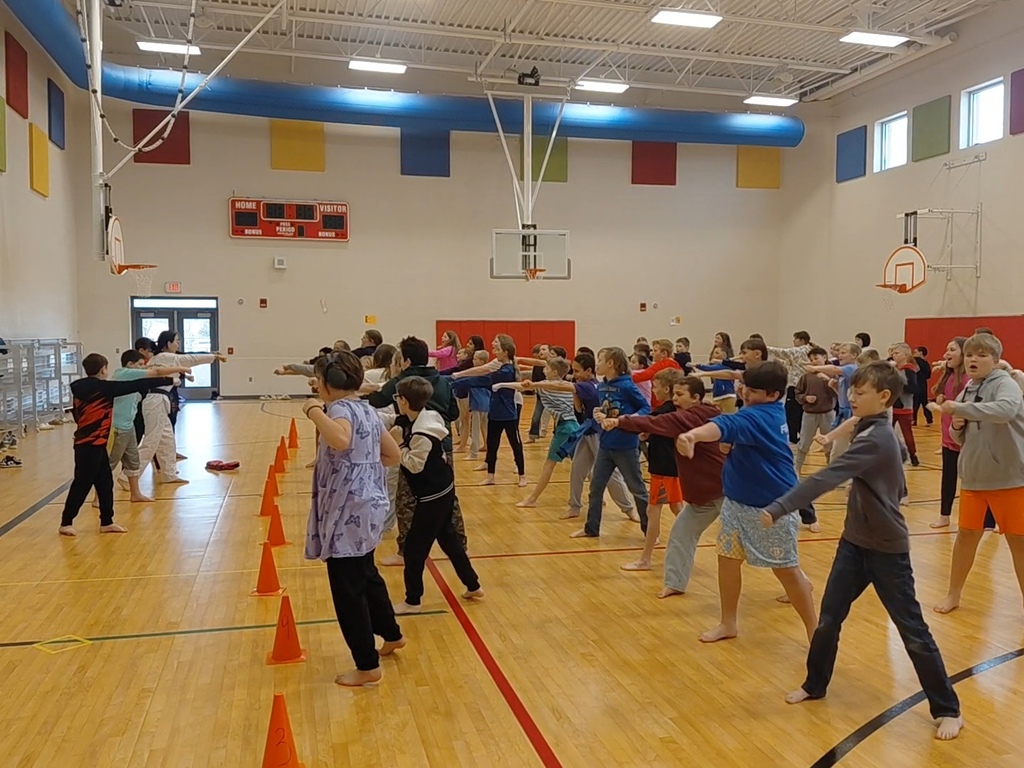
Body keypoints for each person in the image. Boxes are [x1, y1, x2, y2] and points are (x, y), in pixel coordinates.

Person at [760, 362, 963, 741]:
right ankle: (815, 684)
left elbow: (826, 477)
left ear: (884, 397)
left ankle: (948, 709)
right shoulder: (870, 427)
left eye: (861, 392)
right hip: (854, 543)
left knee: (912, 631)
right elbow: (898, 480)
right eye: (851, 391)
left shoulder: (877, 438)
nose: (851, 397)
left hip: (886, 550)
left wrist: (778, 507)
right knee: (829, 618)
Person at [675, 361, 817, 643]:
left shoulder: (759, 416)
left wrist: (692, 435)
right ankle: (728, 623)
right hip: (737, 503)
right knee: (727, 560)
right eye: (745, 387)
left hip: (772, 507)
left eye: (752, 391)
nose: (745, 393)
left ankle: (816, 633)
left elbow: (724, 424)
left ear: (773, 395)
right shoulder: (764, 406)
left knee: (786, 571)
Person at [300, 350, 405, 687]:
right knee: (366, 573)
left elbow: (341, 439)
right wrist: (365, 468)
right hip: (369, 504)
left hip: (347, 510)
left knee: (347, 589)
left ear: (327, 385)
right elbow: (392, 454)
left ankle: (367, 664)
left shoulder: (339, 409)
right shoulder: (367, 410)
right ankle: (391, 633)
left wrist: (314, 410)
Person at [602, 376, 724, 597]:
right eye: (674, 394)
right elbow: (656, 425)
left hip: (726, 492)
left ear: (696, 398)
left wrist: (619, 421)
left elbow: (653, 422)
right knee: (681, 533)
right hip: (705, 495)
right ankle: (675, 583)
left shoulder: (691, 417)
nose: (674, 398)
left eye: (680, 395)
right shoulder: (703, 412)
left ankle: (794, 579)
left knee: (755, 538)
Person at [934, 333, 1024, 615]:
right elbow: (958, 437)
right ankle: (954, 594)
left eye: (982, 354)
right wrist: (957, 425)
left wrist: (961, 409)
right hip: (974, 478)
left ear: (996, 361)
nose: (974, 359)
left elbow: (1006, 411)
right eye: (971, 354)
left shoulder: (1006, 384)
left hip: (1009, 479)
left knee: (1018, 543)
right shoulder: (968, 389)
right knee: (966, 536)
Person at [380, 376, 483, 615]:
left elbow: (414, 465)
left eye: (397, 398)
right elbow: (391, 419)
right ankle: (473, 585)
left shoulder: (422, 434)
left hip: (432, 496)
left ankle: (412, 601)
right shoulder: (419, 416)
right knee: (450, 541)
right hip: (442, 489)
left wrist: (399, 446)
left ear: (404, 401)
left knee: (414, 550)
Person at [368, 336, 466, 566]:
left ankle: (405, 551)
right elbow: (453, 412)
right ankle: (461, 547)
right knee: (448, 497)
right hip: (442, 446)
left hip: (411, 445)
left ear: (406, 360)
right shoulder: (441, 381)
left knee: (406, 498)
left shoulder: (404, 379)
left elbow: (378, 399)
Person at [58, 354, 179, 537]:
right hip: (89, 445)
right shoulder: (103, 389)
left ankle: (107, 521)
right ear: (103, 369)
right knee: (82, 483)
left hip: (92, 443)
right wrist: (169, 379)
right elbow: (136, 385)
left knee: (105, 482)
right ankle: (66, 522)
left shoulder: (80, 389)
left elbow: (77, 416)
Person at [598, 368, 685, 570]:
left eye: (655, 387)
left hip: (665, 469)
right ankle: (683, 546)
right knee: (675, 508)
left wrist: (621, 422)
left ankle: (647, 559)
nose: (652, 390)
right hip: (665, 467)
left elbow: (648, 421)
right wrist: (649, 434)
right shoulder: (667, 410)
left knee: (655, 511)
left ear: (666, 388)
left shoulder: (666, 411)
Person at [572, 347, 650, 539]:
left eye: (600, 360)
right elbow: (607, 408)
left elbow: (646, 407)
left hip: (625, 446)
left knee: (637, 489)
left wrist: (627, 420)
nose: (596, 363)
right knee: (596, 489)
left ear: (611, 364)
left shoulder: (626, 385)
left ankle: (649, 531)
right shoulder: (602, 385)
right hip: (606, 445)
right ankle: (592, 528)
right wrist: (599, 413)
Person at [547, 352, 636, 521]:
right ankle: (574, 506)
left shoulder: (590, 385)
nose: (575, 375)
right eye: (573, 370)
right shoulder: (585, 386)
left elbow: (562, 387)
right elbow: (579, 410)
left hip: (598, 432)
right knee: (577, 470)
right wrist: (575, 393)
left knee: (611, 475)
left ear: (589, 371)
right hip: (587, 430)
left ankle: (629, 508)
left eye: (578, 371)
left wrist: (536, 385)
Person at [141, 331, 227, 486]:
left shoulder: (158, 358)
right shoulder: (165, 357)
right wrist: (214, 357)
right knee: (151, 443)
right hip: (156, 401)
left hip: (159, 400)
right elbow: (190, 359)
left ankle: (169, 474)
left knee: (167, 439)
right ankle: (128, 477)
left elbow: (183, 361)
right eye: (176, 341)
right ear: (168, 343)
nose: (178, 344)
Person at [455, 335, 527, 487]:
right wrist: (457, 378)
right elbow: (481, 373)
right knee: (492, 444)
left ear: (506, 352)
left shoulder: (506, 371)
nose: (495, 352)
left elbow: (482, 379)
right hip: (495, 413)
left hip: (508, 415)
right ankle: (490, 476)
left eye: (498, 349)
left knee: (515, 444)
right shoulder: (500, 367)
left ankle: (522, 475)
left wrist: (456, 380)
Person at [515, 357, 579, 508]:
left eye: (547, 368)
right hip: (574, 426)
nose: (544, 370)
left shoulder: (545, 385)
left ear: (555, 372)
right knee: (583, 464)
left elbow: (521, 386)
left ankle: (532, 499)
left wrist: (501, 385)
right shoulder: (569, 385)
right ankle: (600, 496)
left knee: (549, 465)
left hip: (565, 428)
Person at [794, 346, 836, 479]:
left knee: (829, 442)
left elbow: (838, 393)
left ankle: (831, 470)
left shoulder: (831, 374)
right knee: (804, 442)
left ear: (825, 358)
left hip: (828, 413)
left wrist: (827, 380)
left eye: (816, 358)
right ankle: (796, 469)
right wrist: (805, 398)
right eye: (811, 359)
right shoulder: (806, 377)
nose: (813, 361)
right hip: (809, 414)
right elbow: (797, 393)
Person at [767, 331, 813, 444]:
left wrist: (765, 347)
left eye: (795, 339)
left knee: (791, 412)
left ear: (802, 340)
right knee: (799, 412)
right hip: (804, 385)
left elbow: (783, 352)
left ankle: (793, 438)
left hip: (797, 385)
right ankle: (799, 437)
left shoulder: (801, 350)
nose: (793, 341)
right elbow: (789, 362)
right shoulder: (808, 351)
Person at [890, 343, 920, 466]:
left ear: (906, 355)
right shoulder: (895, 368)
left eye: (897, 353)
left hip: (904, 407)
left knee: (907, 433)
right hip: (892, 406)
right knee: (886, 432)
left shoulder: (909, 370)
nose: (893, 355)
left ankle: (913, 454)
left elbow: (913, 388)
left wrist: (898, 384)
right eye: (893, 353)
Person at [631, 339, 682, 408]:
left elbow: (642, 376)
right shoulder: (675, 364)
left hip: (660, 402)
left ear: (664, 353)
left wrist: (622, 377)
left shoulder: (661, 365)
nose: (652, 353)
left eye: (655, 351)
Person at [462, 350, 491, 462]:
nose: (473, 361)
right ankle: (489, 449)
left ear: (482, 361)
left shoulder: (476, 374)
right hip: (487, 404)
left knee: (475, 430)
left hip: (478, 405)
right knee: (486, 429)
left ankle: (473, 454)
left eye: (475, 359)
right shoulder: (489, 372)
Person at [913, 346, 933, 426]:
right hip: (923, 385)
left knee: (915, 403)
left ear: (920, 352)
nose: (914, 353)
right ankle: (929, 420)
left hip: (916, 384)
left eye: (915, 352)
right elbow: (928, 376)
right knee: (925, 403)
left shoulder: (915, 361)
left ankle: (913, 420)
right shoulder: (926, 363)